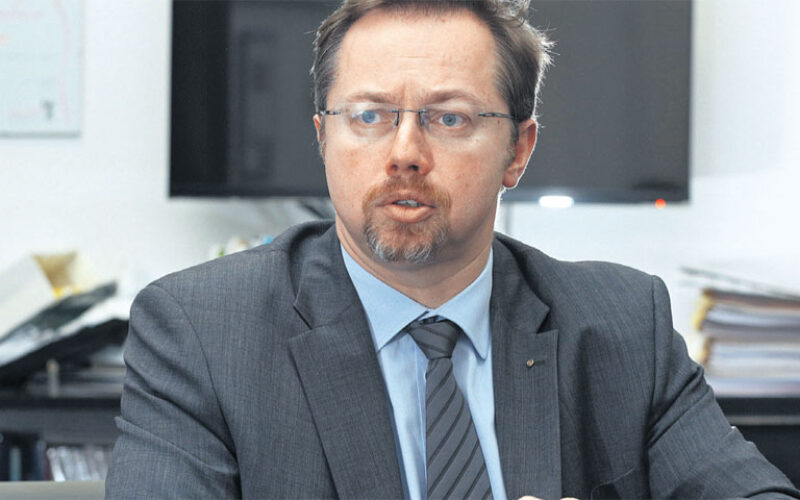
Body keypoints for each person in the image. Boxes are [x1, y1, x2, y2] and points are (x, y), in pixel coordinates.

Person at [106, 0, 799, 498]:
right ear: (323, 138)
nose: (405, 153)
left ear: (517, 150)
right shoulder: (201, 332)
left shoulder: (622, 322)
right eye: (369, 116)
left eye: (449, 118)